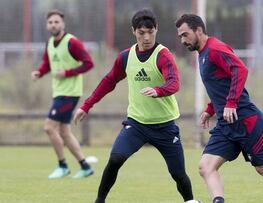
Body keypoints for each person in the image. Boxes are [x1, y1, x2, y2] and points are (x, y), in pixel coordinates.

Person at [176, 14, 263, 203]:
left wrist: (231, 103)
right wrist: (210, 110)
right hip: (225, 124)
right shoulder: (202, 54)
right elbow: (221, 85)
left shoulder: (215, 48)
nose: (182, 40)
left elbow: (240, 69)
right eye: (180, 36)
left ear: (198, 30)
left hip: (245, 120)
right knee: (205, 167)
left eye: (185, 35)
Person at [73, 9, 200, 203]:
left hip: (165, 126)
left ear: (156, 29)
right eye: (142, 33)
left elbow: (174, 83)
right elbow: (109, 81)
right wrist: (86, 105)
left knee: (178, 174)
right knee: (115, 159)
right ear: (133, 31)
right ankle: (99, 201)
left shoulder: (163, 56)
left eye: (150, 32)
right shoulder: (126, 57)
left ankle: (190, 201)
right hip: (137, 124)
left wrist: (158, 91)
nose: (147, 37)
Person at [31, 10, 94, 179]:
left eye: (56, 22)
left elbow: (89, 63)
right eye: (50, 22)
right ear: (47, 25)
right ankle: (85, 166)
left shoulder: (72, 42)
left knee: (49, 127)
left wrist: (67, 73)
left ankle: (63, 165)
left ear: (63, 24)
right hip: (59, 92)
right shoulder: (50, 43)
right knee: (64, 132)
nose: (53, 25)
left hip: (70, 93)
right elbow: (47, 63)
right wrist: (39, 72)